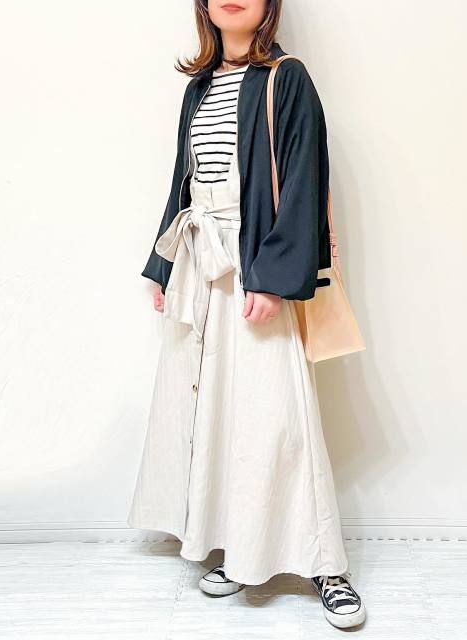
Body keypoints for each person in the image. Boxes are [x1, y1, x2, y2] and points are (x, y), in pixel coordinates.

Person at [128, 0, 366, 629]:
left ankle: (326, 565)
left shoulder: (287, 78)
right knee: (220, 415)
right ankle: (241, 547)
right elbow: (183, 184)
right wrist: (163, 266)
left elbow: (305, 178)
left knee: (280, 413)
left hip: (255, 263)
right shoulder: (199, 87)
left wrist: (273, 279)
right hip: (202, 264)